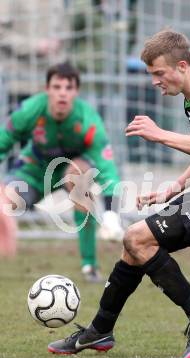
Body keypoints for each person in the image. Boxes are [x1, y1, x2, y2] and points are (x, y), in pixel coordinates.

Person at [47, 30, 190, 358]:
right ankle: (100, 329)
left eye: (159, 73)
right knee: (134, 246)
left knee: (137, 238)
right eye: (151, 75)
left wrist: (160, 135)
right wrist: (175, 186)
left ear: (182, 66)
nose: (155, 82)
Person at [0, 62, 123, 282]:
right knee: (4, 202)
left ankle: (89, 266)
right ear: (47, 89)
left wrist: (111, 214)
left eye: (68, 88)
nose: (62, 94)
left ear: (76, 91)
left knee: (78, 178)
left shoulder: (88, 120)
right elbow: (3, 142)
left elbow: (107, 169)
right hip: (34, 170)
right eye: (57, 87)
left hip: (72, 168)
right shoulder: (29, 110)